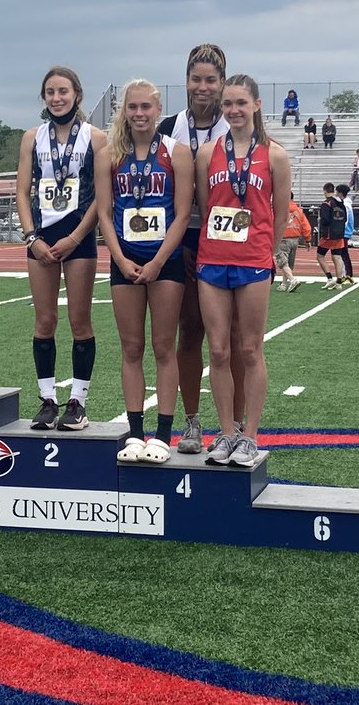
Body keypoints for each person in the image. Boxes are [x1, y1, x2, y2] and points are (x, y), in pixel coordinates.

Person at [194, 74, 290, 467]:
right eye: (227, 104)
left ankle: (250, 435)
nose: (233, 110)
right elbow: (206, 203)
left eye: (240, 103)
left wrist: (266, 251)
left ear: (256, 105)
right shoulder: (207, 154)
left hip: (252, 261)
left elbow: (281, 214)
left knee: (250, 349)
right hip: (212, 259)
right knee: (217, 350)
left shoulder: (275, 155)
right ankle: (226, 432)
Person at [95, 79, 193, 465]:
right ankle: (135, 433)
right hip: (124, 260)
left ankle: (164, 433)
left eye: (146, 107)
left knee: (163, 346)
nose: (139, 114)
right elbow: (104, 212)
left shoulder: (177, 153)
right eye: (132, 107)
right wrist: (119, 259)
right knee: (131, 347)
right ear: (124, 111)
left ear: (158, 109)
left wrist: (157, 262)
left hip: (164, 261)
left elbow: (183, 213)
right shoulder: (109, 154)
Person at [156, 44, 243, 455]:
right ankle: (192, 424)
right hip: (182, 238)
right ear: (186, 81)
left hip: (230, 243)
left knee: (235, 337)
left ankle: (238, 425)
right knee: (189, 331)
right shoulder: (168, 127)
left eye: (211, 79)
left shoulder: (239, 128)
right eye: (196, 79)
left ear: (222, 82)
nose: (203, 87)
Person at [17, 67, 106, 432]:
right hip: (40, 237)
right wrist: (31, 237)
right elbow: (22, 191)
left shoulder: (96, 138)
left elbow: (102, 196)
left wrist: (76, 236)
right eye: (50, 92)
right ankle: (48, 400)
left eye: (63, 91)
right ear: (43, 97)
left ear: (77, 95)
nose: (57, 98)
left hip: (78, 235)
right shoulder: (31, 138)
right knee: (45, 321)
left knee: (79, 321)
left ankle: (78, 402)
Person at [315, 182, 348, 290]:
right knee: (337, 257)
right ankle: (339, 281)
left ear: (325, 191)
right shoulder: (341, 204)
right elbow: (345, 219)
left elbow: (325, 220)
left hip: (329, 235)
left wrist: (320, 221)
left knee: (320, 256)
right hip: (339, 234)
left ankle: (329, 278)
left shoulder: (326, 203)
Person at [275, 192, 310, 292]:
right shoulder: (298, 210)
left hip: (283, 238)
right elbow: (305, 225)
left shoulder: (279, 209)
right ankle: (283, 284)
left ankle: (292, 280)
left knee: (282, 262)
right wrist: (307, 239)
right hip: (295, 239)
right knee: (289, 263)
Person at [335, 183, 355, 286]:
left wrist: (339, 230)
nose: (336, 194)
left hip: (344, 232)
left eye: (337, 192)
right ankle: (345, 275)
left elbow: (345, 220)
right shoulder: (346, 204)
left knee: (343, 254)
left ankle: (348, 275)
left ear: (340, 193)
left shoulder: (345, 205)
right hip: (345, 232)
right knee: (342, 254)